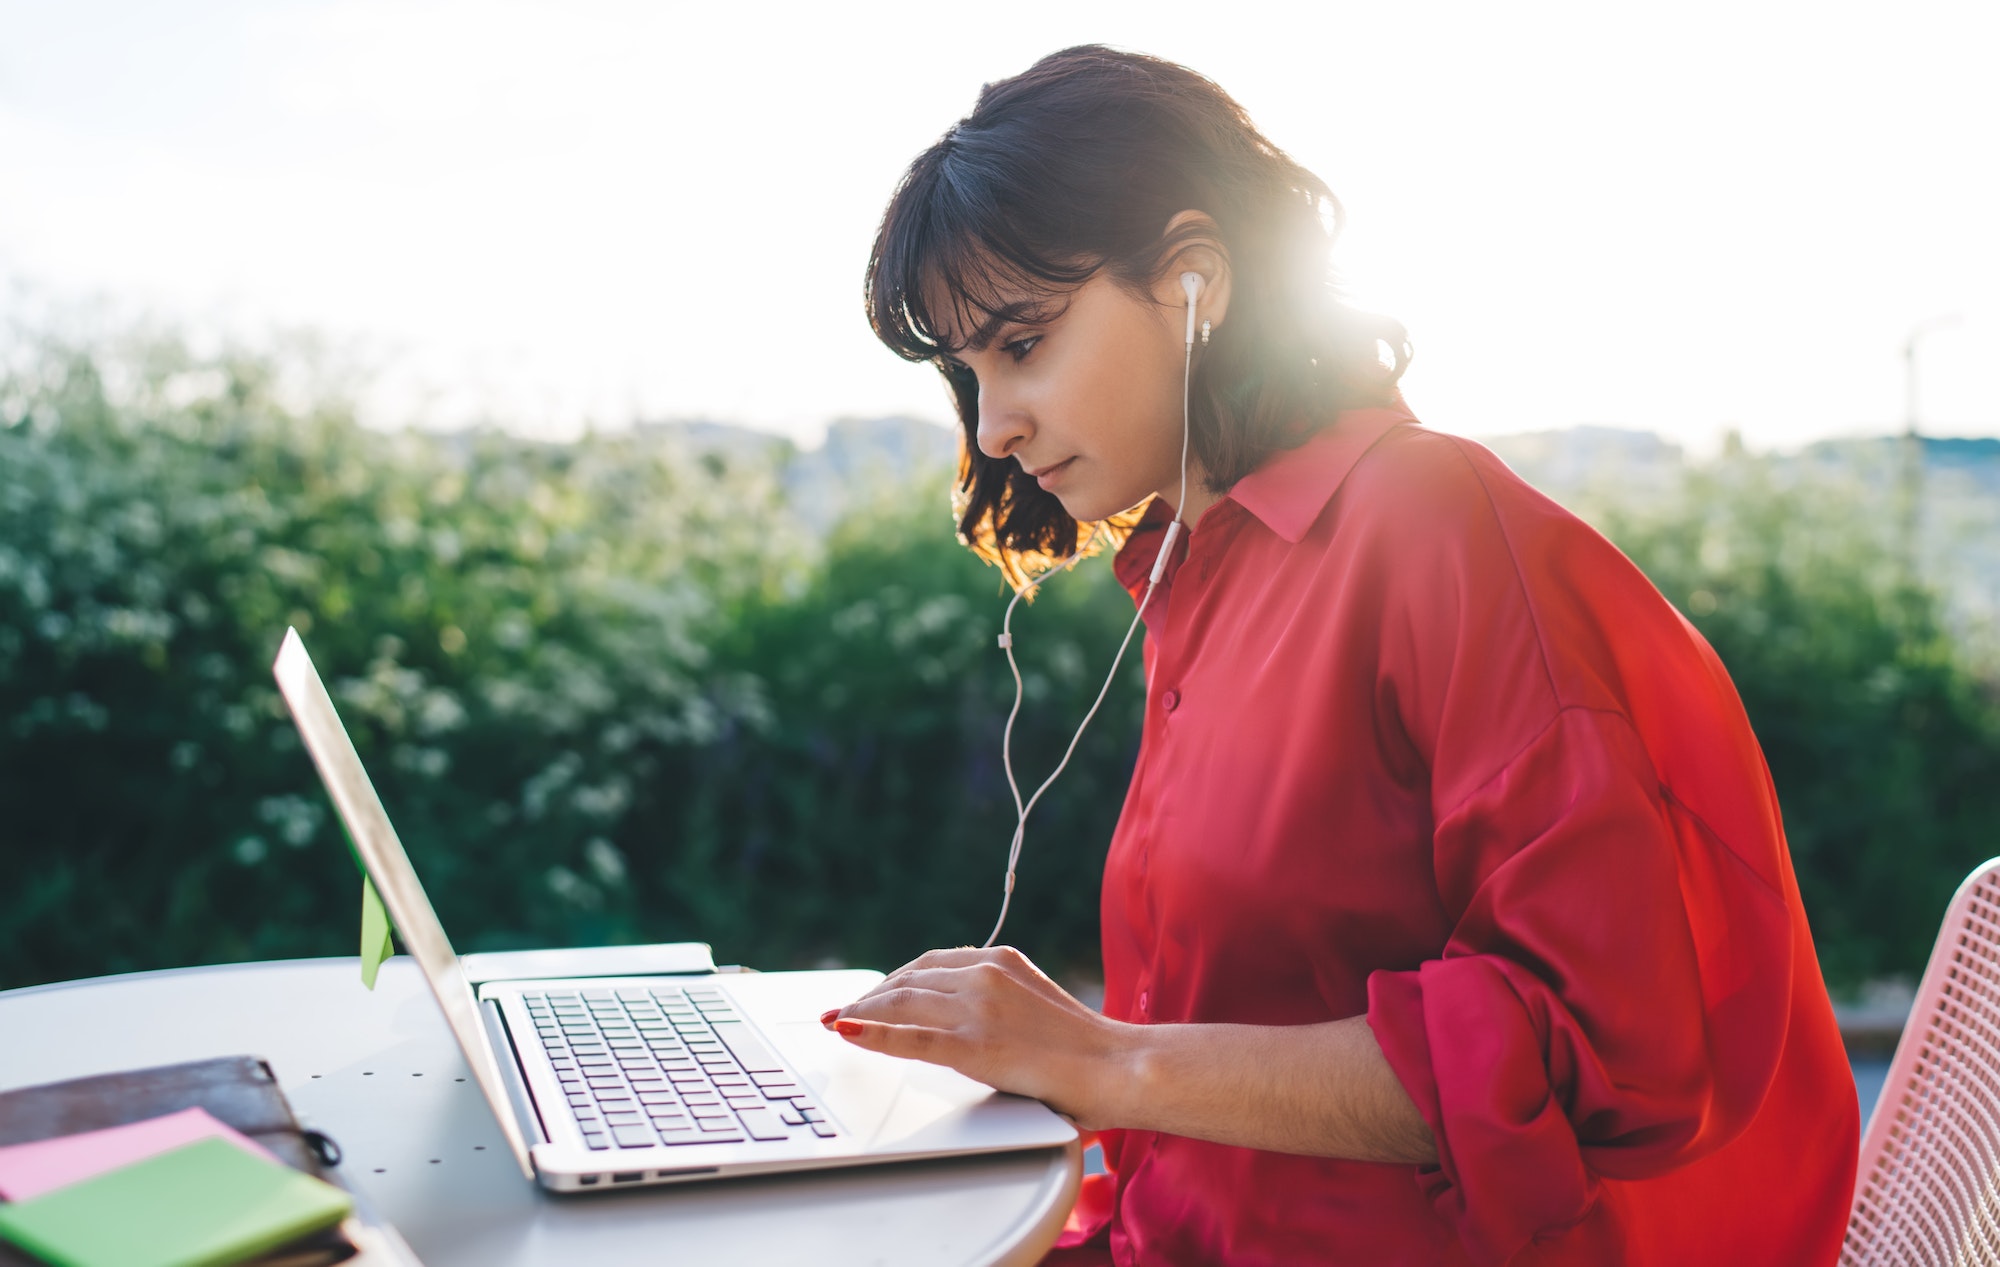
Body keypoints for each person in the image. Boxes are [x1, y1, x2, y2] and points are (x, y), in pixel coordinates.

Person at [825, 44, 1859, 1266]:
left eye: (1019, 343)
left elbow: (1592, 1051)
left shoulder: (1431, 530)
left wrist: (1099, 1059)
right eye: (964, 369)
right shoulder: (1198, 571)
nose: (991, 426)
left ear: (1192, 280)